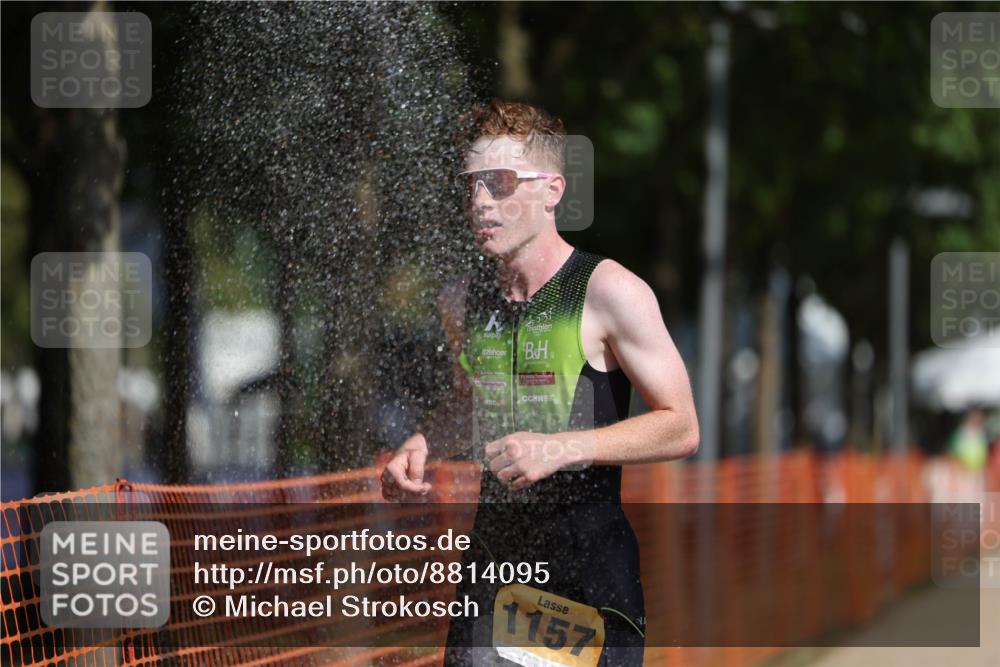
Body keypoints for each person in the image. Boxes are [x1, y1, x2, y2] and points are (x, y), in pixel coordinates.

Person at [380, 99, 699, 666]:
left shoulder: (608, 291)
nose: (481, 201)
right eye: (472, 184)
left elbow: (681, 427)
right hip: (494, 571)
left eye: (500, 182)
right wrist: (423, 443)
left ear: (552, 191)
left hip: (586, 577)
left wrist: (560, 448)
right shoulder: (461, 301)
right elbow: (470, 401)